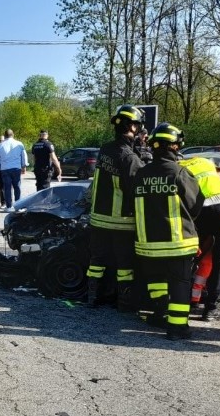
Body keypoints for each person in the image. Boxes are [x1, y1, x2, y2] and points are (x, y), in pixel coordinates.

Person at [134, 123, 204, 340]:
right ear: (175, 146)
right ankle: (177, 327)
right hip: (177, 243)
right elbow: (196, 205)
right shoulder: (181, 172)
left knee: (156, 280)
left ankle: (159, 314)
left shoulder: (141, 174)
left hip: (148, 245)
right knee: (180, 284)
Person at [87, 105, 146, 311]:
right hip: (121, 221)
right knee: (124, 264)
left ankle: (93, 297)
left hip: (98, 218)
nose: (139, 130)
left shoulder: (105, 149)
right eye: (137, 126)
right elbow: (136, 185)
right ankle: (124, 302)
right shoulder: (129, 157)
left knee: (97, 260)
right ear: (131, 126)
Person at [178, 155, 220, 321]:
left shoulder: (178, 167)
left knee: (191, 254)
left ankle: (183, 300)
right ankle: (212, 309)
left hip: (197, 212)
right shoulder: (206, 162)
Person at [0, 129, 28, 211]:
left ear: (5, 135)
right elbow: (24, 156)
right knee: (17, 187)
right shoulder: (19, 144)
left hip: (5, 169)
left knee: (7, 188)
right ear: (13, 134)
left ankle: (8, 206)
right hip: (16, 168)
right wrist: (24, 166)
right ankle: (18, 206)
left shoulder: (0, 145)